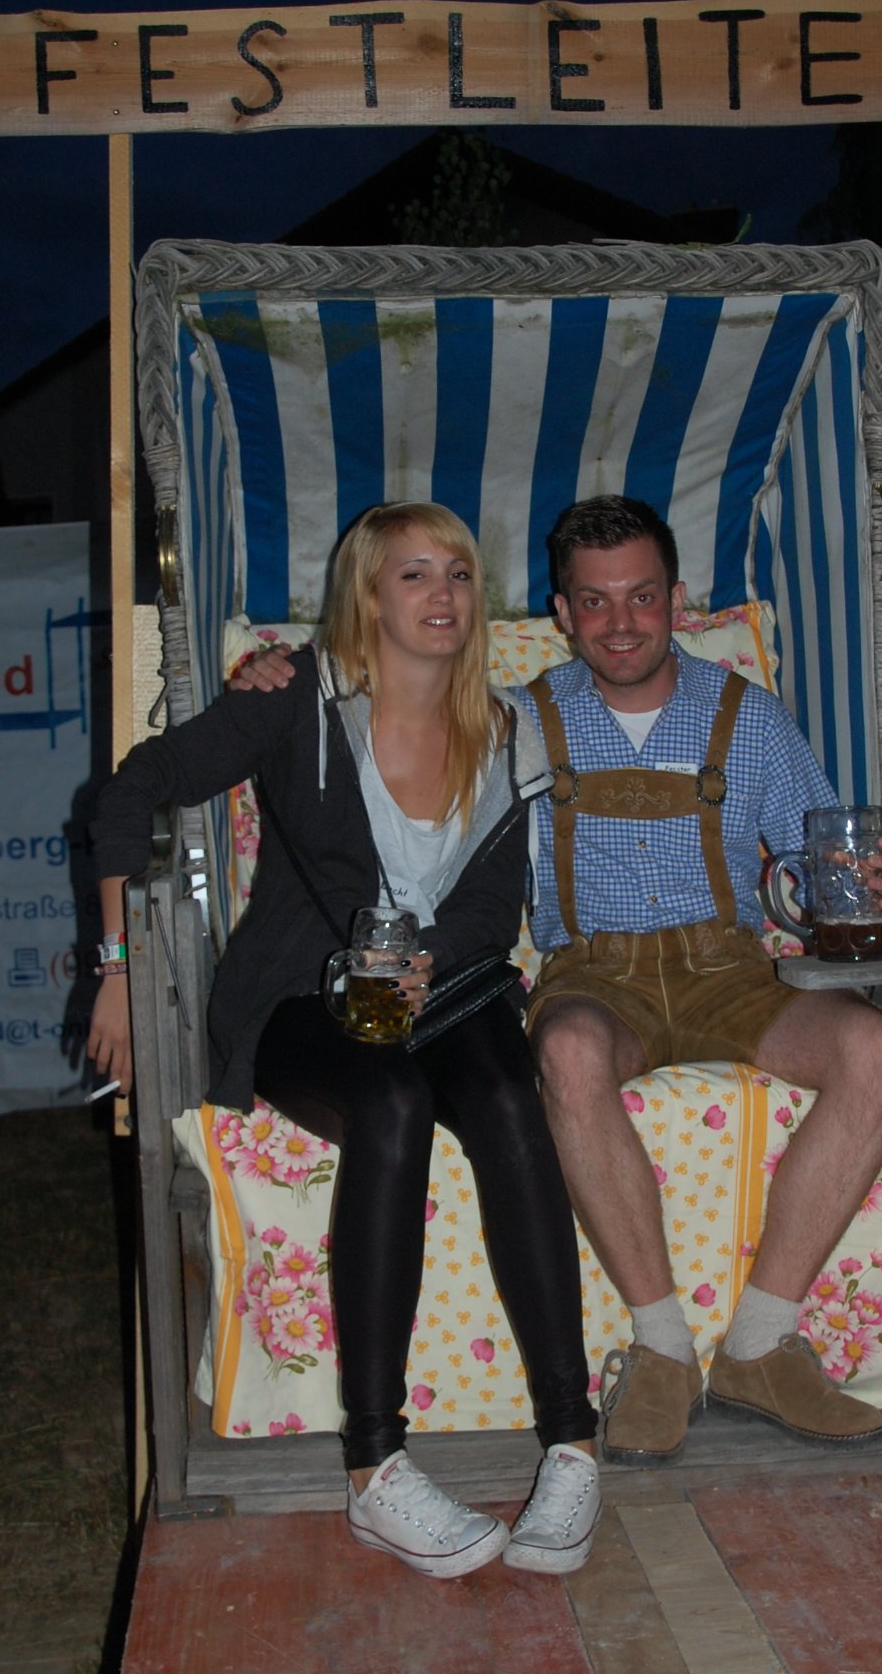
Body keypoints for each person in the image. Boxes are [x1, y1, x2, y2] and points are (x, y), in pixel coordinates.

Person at [235, 494, 882, 1469]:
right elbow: (386, 689)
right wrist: (272, 675)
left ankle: (761, 1344)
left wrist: (873, 890)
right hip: (596, 973)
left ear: (678, 599)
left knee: (876, 1047)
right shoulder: (515, 718)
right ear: (561, 611)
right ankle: (663, 1349)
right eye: (594, 601)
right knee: (564, 1050)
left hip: (731, 966)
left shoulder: (751, 717)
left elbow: (820, 873)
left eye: (642, 596)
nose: (621, 621)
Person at [89, 502, 599, 1577]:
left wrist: (426, 961)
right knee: (390, 1102)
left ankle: (571, 1442)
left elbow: (490, 902)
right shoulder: (296, 699)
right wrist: (120, 969)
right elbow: (131, 790)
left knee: (508, 1095)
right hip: (297, 995)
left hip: (443, 990)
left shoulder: (506, 729)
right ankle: (375, 1469)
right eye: (414, 574)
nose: (442, 595)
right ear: (368, 593)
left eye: (457, 573)